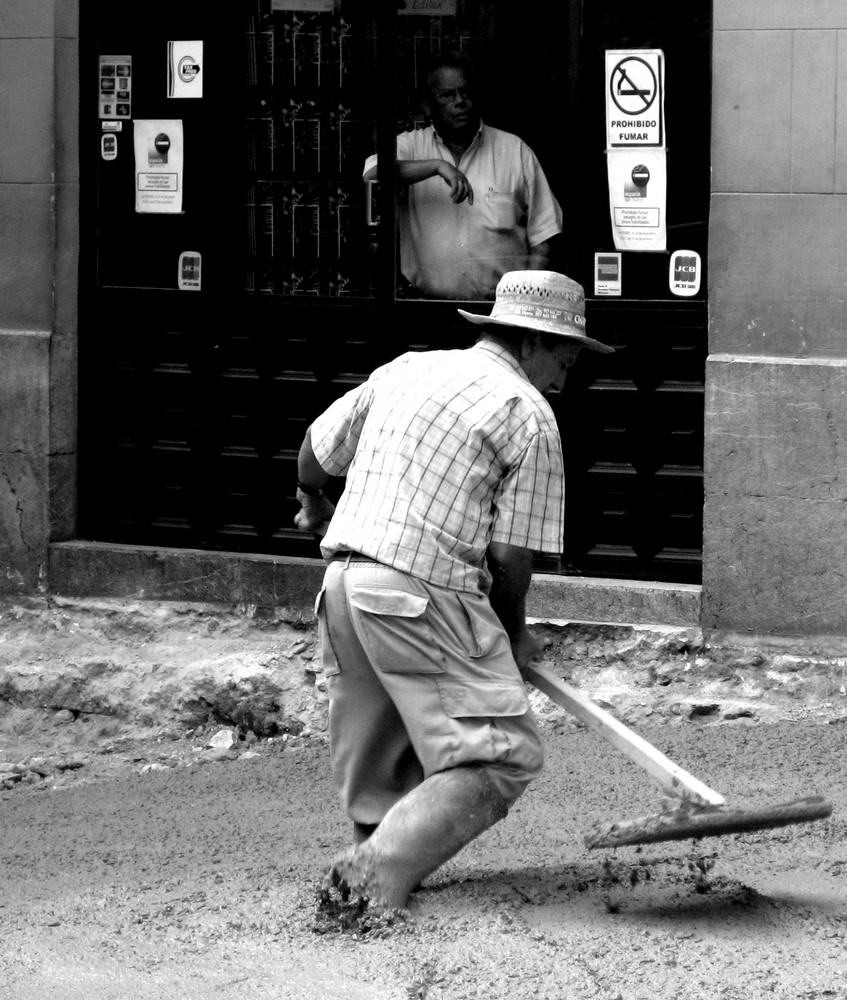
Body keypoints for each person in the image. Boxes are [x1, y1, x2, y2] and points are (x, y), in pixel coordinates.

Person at [294, 270, 613, 918]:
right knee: (502, 755)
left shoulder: (407, 369)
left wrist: (313, 504)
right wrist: (512, 634)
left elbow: (313, 456)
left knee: (380, 747)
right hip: (419, 590)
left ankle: (375, 875)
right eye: (566, 352)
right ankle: (368, 879)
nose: (568, 368)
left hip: (345, 589)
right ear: (531, 342)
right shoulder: (526, 413)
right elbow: (508, 557)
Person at [363, 51, 563, 300]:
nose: (460, 101)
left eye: (466, 92)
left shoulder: (514, 151)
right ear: (427, 105)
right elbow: (372, 172)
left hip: (501, 311)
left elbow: (543, 236)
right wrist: (437, 166)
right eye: (447, 95)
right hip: (427, 309)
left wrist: (524, 301)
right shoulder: (413, 146)